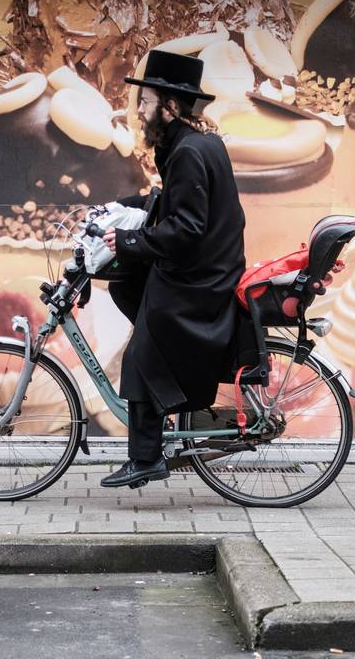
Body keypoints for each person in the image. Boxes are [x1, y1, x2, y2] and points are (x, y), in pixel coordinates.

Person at [99, 50, 247, 488]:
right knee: (129, 287)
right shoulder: (192, 143)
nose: (139, 111)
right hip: (205, 266)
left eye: (145, 102)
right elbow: (174, 203)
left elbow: (187, 226)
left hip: (200, 277)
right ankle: (170, 389)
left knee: (141, 354)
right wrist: (121, 209)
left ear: (170, 105)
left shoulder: (185, 152)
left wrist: (128, 240)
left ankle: (145, 458)